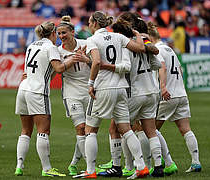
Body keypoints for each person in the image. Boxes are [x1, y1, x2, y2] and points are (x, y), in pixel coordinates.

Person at [73, 11, 148, 179]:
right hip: (121, 87)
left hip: (104, 87)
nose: (89, 24)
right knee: (126, 129)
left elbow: (97, 62)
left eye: (90, 21)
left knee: (90, 129)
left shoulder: (93, 40)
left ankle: (90, 171)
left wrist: (90, 83)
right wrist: (137, 34)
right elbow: (141, 48)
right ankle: (141, 167)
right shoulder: (118, 37)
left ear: (94, 23)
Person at [14, 21, 86, 177]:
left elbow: (37, 70)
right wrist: (72, 59)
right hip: (38, 92)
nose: (59, 37)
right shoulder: (51, 47)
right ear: (53, 33)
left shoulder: (32, 45)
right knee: (43, 131)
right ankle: (47, 169)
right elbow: (59, 68)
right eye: (57, 34)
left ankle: (19, 166)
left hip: (23, 89)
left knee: (26, 130)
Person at [98, 14, 166, 178]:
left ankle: (121, 166)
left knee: (116, 128)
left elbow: (126, 67)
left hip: (134, 92)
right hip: (151, 91)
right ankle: (158, 168)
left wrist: (106, 66)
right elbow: (157, 64)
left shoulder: (126, 46)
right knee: (150, 131)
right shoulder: (145, 45)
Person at [148, 22, 202, 173]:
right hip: (181, 94)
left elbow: (162, 67)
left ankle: (160, 164)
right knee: (185, 129)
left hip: (168, 95)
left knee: (149, 129)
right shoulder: (170, 49)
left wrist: (163, 87)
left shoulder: (157, 49)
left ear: (150, 37)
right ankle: (196, 162)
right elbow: (180, 70)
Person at [56, 15, 91, 176]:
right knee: (81, 127)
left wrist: (85, 58)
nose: (62, 36)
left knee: (89, 131)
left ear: (72, 32)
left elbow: (96, 63)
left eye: (64, 33)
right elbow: (55, 69)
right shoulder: (57, 51)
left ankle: (74, 163)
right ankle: (90, 165)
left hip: (89, 91)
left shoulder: (86, 44)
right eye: (59, 34)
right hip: (71, 93)